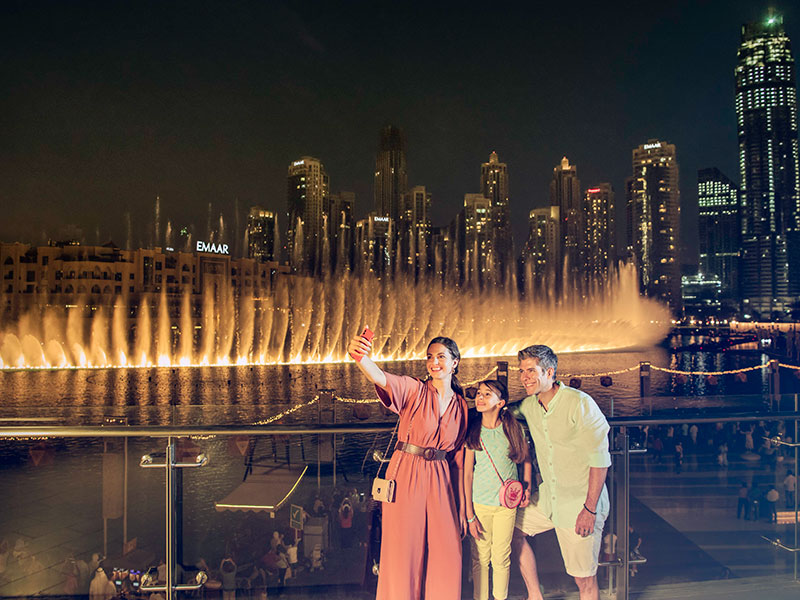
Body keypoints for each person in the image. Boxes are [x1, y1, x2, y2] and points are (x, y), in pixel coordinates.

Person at [347, 331, 469, 600]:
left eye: (441, 357)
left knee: (448, 549)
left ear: (455, 362)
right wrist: (361, 357)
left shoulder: (461, 404)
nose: (433, 362)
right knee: (404, 549)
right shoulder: (415, 389)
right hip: (407, 471)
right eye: (429, 357)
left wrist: (462, 507)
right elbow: (381, 377)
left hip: (441, 476)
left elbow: (459, 458)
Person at [509, 345, 611, 600]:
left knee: (584, 579)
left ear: (549, 371)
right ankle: (535, 595)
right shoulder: (529, 406)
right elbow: (499, 411)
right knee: (510, 528)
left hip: (581, 504)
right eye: (522, 371)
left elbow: (600, 461)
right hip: (548, 499)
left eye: (531, 371)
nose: (524, 377)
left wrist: (589, 510)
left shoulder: (580, 404)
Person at [464, 380, 532, 600]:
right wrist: (469, 514)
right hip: (480, 504)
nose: (480, 397)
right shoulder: (473, 430)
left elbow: (526, 459)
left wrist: (526, 486)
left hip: (506, 505)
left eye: (487, 394)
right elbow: (467, 474)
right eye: (479, 393)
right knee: (480, 558)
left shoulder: (512, 428)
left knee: (501, 557)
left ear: (501, 402)